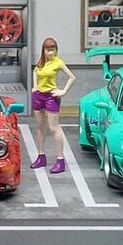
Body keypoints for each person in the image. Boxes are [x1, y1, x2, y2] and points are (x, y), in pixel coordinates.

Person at [30, 37, 76, 174]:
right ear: (43, 50)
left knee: (54, 127)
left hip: (51, 96)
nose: (51, 53)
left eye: (53, 50)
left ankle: (60, 160)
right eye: (48, 50)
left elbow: (72, 77)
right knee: (40, 127)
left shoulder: (58, 62)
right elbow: (35, 71)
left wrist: (63, 91)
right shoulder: (41, 62)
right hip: (38, 96)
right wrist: (35, 86)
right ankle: (41, 156)